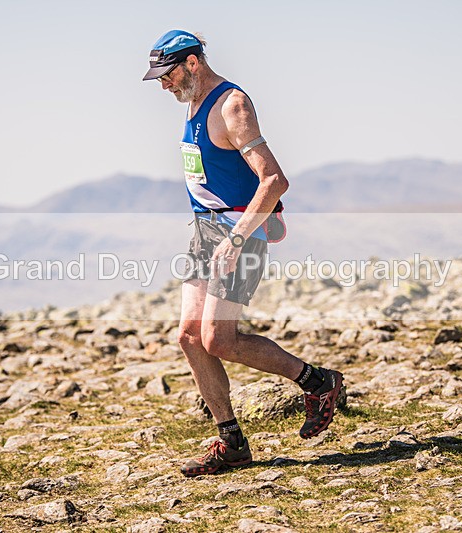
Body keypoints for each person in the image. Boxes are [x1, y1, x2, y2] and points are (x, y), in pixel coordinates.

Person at [142, 29, 344, 477]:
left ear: (193, 63)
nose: (163, 84)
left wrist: (235, 240)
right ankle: (231, 443)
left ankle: (318, 382)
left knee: (219, 339)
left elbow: (274, 180)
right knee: (189, 337)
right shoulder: (193, 102)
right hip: (205, 230)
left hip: (239, 233)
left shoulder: (232, 104)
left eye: (168, 74)